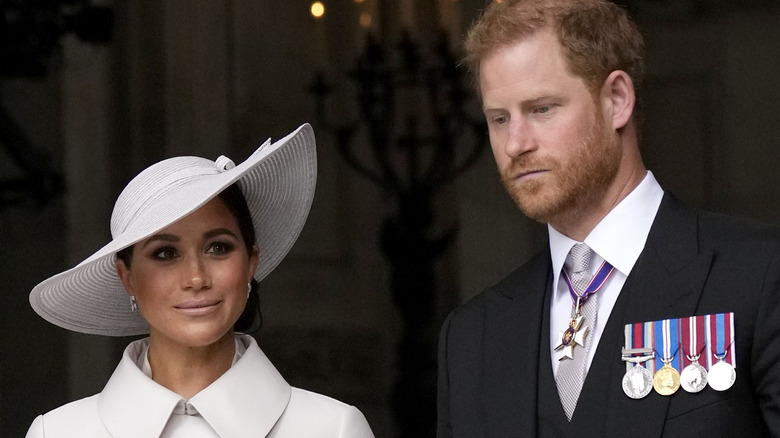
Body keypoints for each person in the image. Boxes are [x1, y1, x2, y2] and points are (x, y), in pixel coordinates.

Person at [437, 0, 780, 436]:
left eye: (541, 108)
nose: (514, 144)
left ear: (616, 100)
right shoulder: (472, 339)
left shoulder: (760, 277)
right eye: (499, 118)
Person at [26, 124, 375, 437]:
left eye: (218, 247)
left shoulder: (333, 428)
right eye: (165, 253)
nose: (196, 278)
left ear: (251, 261)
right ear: (127, 277)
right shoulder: (56, 432)